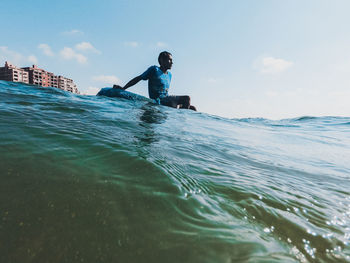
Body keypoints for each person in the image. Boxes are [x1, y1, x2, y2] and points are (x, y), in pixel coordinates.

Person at [113, 51, 197, 111]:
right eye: (170, 60)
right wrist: (124, 88)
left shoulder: (169, 75)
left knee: (192, 108)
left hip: (167, 100)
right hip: (158, 100)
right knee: (187, 98)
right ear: (162, 60)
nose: (172, 62)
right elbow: (139, 78)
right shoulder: (154, 69)